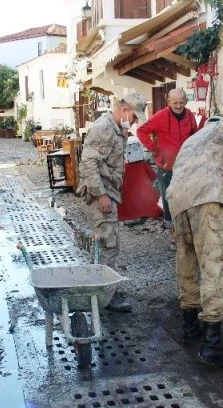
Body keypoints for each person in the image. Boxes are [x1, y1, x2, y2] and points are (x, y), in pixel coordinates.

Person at [166, 106, 223, 367]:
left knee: (187, 261)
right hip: (205, 199)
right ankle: (212, 344)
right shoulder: (222, 127)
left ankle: (190, 327)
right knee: (214, 264)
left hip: (178, 201)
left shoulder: (193, 140)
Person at [76, 91, 147, 313]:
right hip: (100, 194)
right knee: (108, 243)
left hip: (108, 191)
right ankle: (105, 295)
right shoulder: (104, 128)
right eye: (134, 117)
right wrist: (101, 195)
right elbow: (88, 163)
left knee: (107, 242)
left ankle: (104, 287)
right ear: (125, 110)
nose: (134, 122)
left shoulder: (118, 129)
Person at [136, 88, 204, 238]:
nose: (179, 106)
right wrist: (154, 148)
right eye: (175, 103)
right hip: (167, 165)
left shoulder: (190, 116)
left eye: (181, 102)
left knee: (187, 195)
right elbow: (141, 131)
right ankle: (171, 231)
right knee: (168, 197)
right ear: (169, 102)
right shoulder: (160, 116)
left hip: (186, 164)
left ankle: (186, 228)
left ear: (186, 101)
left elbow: (194, 136)